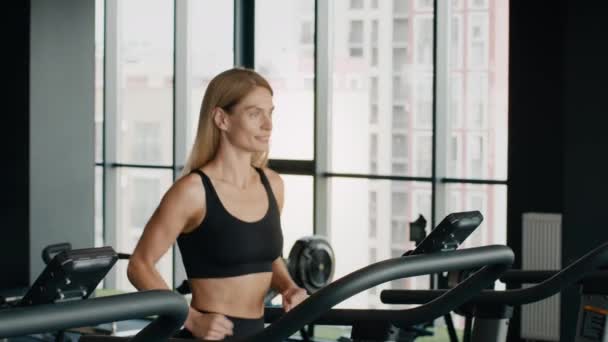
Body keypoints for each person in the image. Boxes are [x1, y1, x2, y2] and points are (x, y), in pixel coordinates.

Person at [127, 68, 308, 341]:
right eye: (254, 113)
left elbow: (267, 257)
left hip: (260, 333)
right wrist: (190, 318)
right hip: (208, 335)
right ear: (222, 119)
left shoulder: (273, 184)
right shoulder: (192, 192)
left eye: (270, 112)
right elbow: (139, 265)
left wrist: (288, 286)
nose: (268, 125)